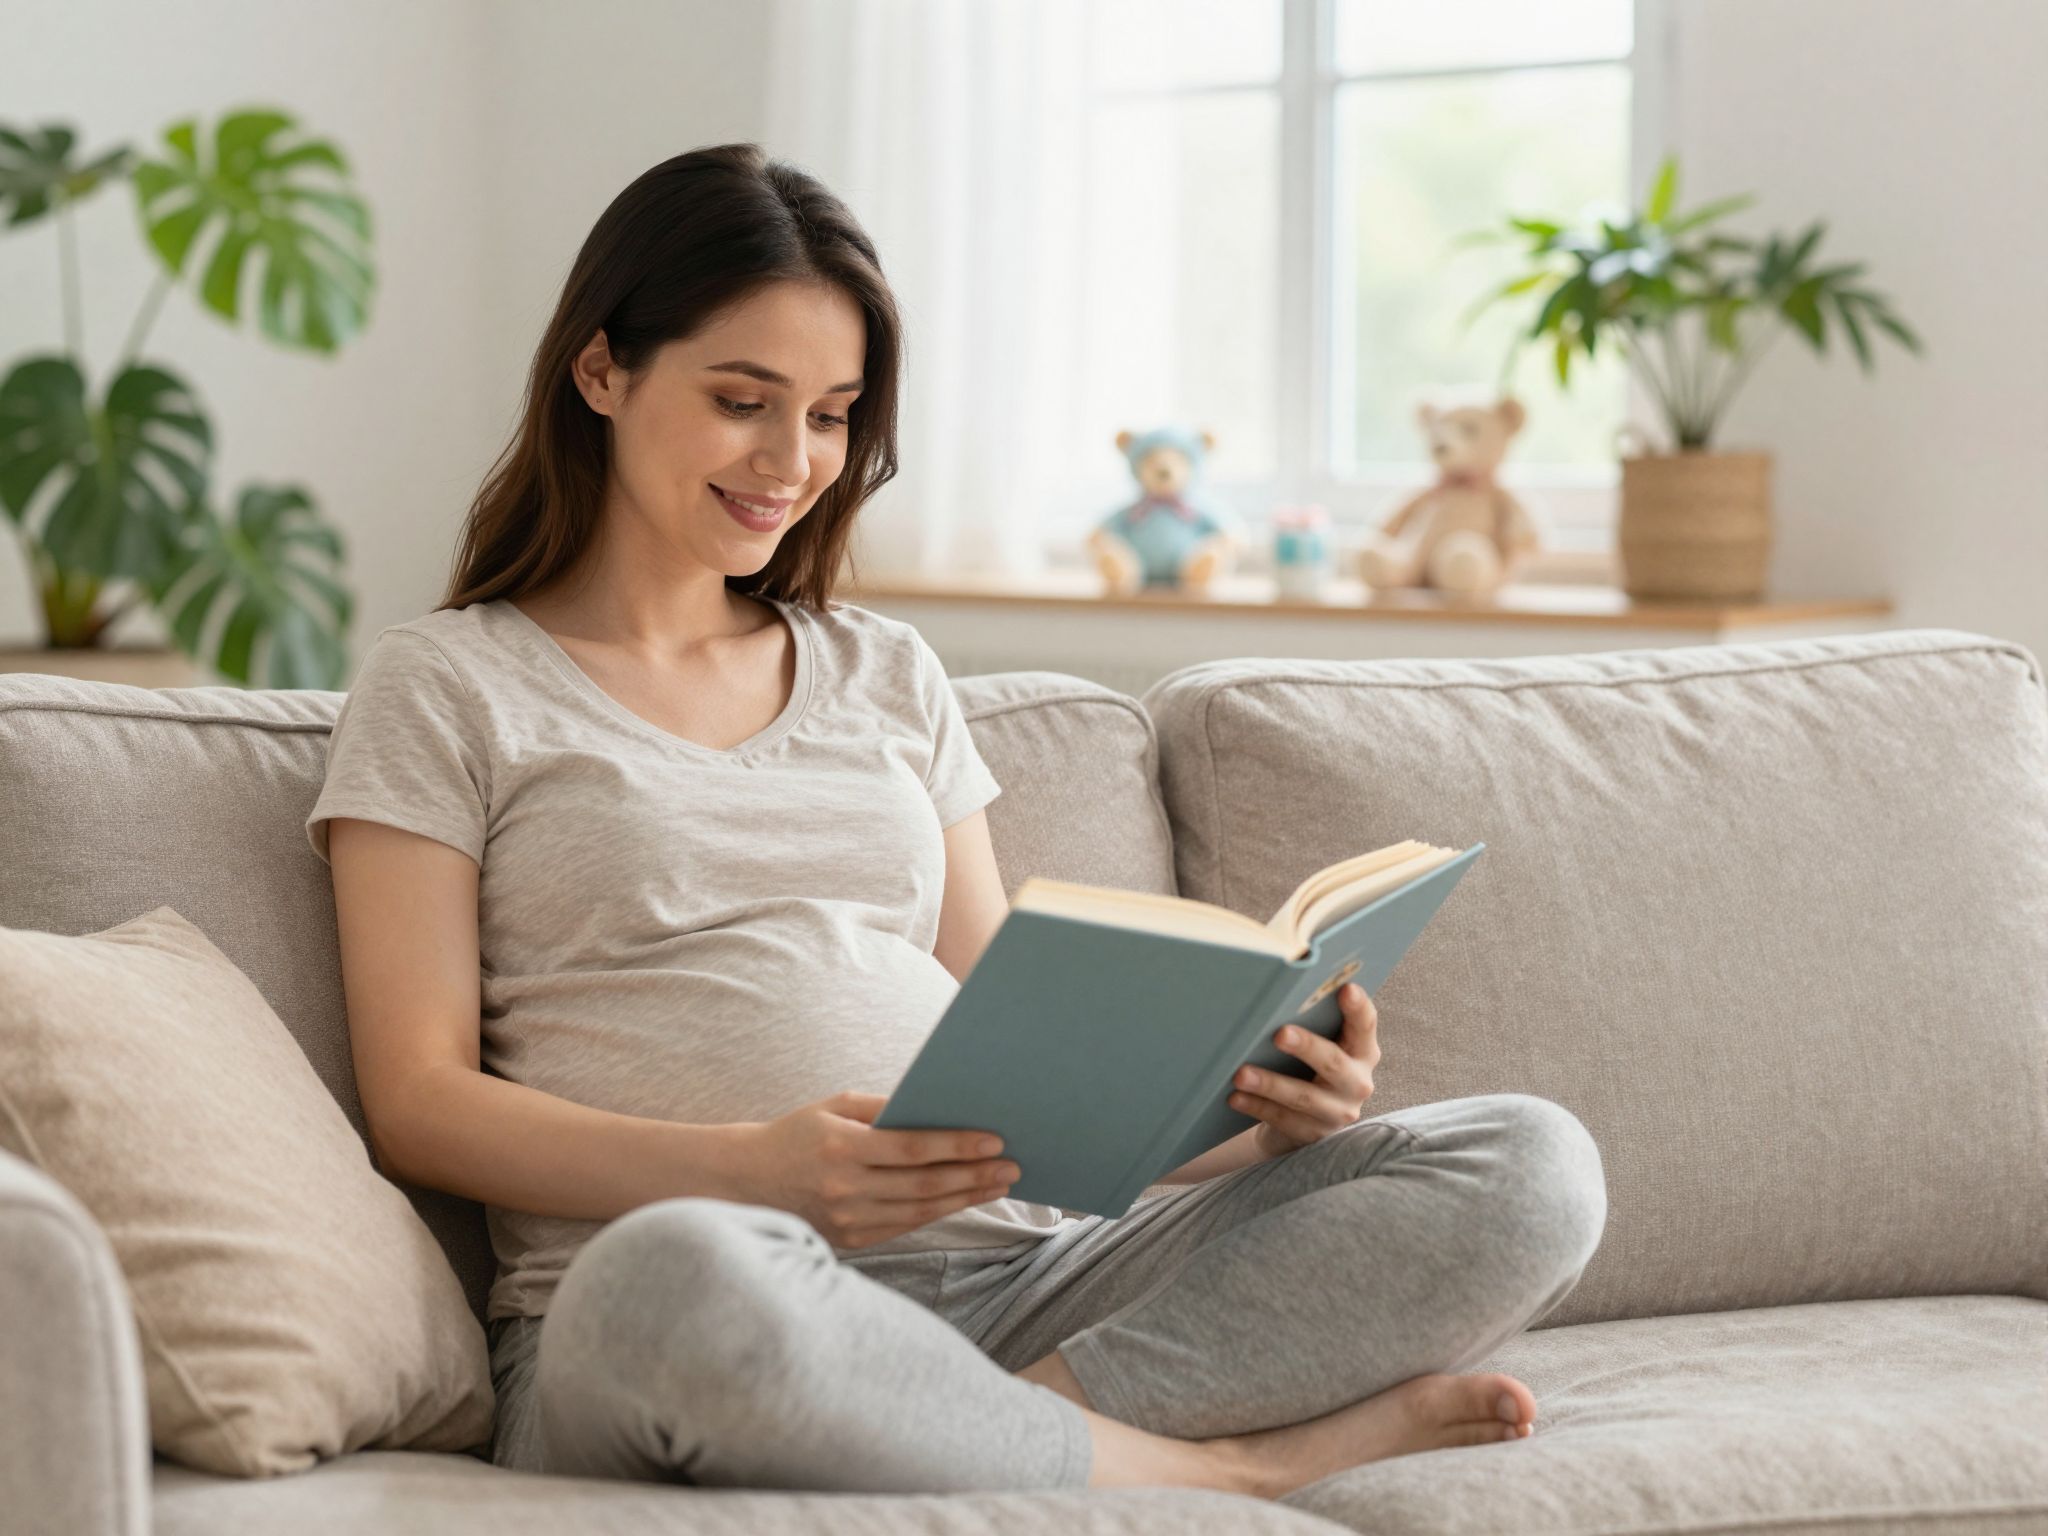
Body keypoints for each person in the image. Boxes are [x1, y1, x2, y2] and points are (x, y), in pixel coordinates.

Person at [304, 141, 1607, 1500]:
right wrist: (753, 1171)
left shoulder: (887, 672)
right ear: (602, 372)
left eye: (829, 415)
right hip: (719, 1289)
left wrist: (1265, 1112)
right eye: (743, 401)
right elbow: (419, 1102)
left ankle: (1001, 1440)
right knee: (670, 1279)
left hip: (1022, 1274)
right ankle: (1221, 1472)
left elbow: (1014, 1041)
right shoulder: (447, 683)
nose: (790, 460)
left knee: (1531, 1166)